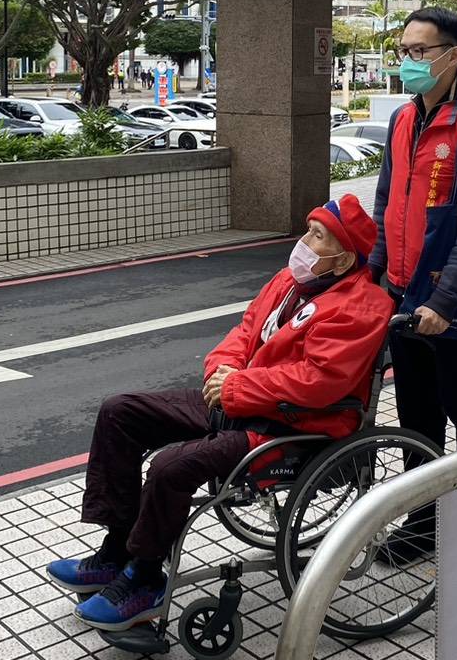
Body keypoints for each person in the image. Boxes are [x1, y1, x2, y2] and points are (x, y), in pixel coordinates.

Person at [47, 195, 392, 631]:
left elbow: (319, 381)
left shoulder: (364, 306)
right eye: (307, 228)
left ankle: (145, 579)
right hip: (239, 401)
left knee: (172, 466)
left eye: (316, 235)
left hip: (290, 425)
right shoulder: (288, 282)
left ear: (343, 259)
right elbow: (245, 331)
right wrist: (223, 370)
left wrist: (237, 386)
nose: (303, 242)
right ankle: (117, 551)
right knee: (120, 413)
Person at [369, 7, 457, 565]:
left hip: (453, 303)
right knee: (416, 416)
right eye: (403, 51)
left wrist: (445, 300)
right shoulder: (404, 120)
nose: (408, 62)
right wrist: (375, 277)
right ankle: (424, 522)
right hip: (404, 296)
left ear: (453, 56)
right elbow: (387, 204)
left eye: (419, 52)